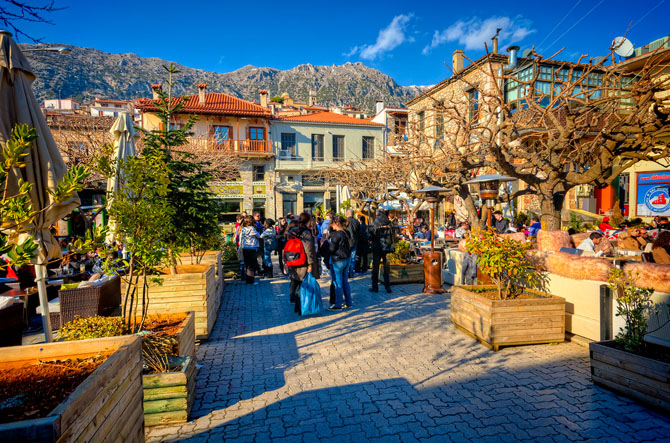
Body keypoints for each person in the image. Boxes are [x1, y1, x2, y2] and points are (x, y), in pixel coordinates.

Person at [286, 213, 318, 314]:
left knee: (297, 283)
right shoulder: (306, 233)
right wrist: (310, 264)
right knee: (302, 285)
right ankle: (301, 308)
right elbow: (309, 250)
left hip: (292, 260)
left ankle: (297, 306)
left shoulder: (292, 231)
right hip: (302, 262)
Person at [327, 216, 352, 310]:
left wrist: (325, 247)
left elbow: (331, 249)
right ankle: (349, 302)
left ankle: (338, 304)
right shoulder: (346, 233)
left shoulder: (336, 235)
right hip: (347, 258)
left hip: (338, 260)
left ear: (336, 224)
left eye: (332, 223)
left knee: (338, 282)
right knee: (345, 281)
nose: (331, 225)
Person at [369, 209, 394, 294]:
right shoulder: (388, 222)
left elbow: (370, 235)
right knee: (386, 268)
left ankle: (375, 286)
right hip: (386, 247)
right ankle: (388, 287)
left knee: (375, 267)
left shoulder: (376, 222)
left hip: (377, 247)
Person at [239, 216, 261, 285]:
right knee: (251, 265)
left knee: (246, 264)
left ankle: (247, 280)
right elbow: (259, 236)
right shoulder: (252, 229)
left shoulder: (243, 229)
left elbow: (240, 238)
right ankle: (251, 281)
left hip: (245, 248)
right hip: (252, 248)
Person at [345, 209, 360, 278]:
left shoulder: (345, 222)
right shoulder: (357, 222)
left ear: (347, 214)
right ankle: (351, 272)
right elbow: (359, 232)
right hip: (355, 241)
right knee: (353, 257)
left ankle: (346, 272)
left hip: (347, 241)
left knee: (346, 257)